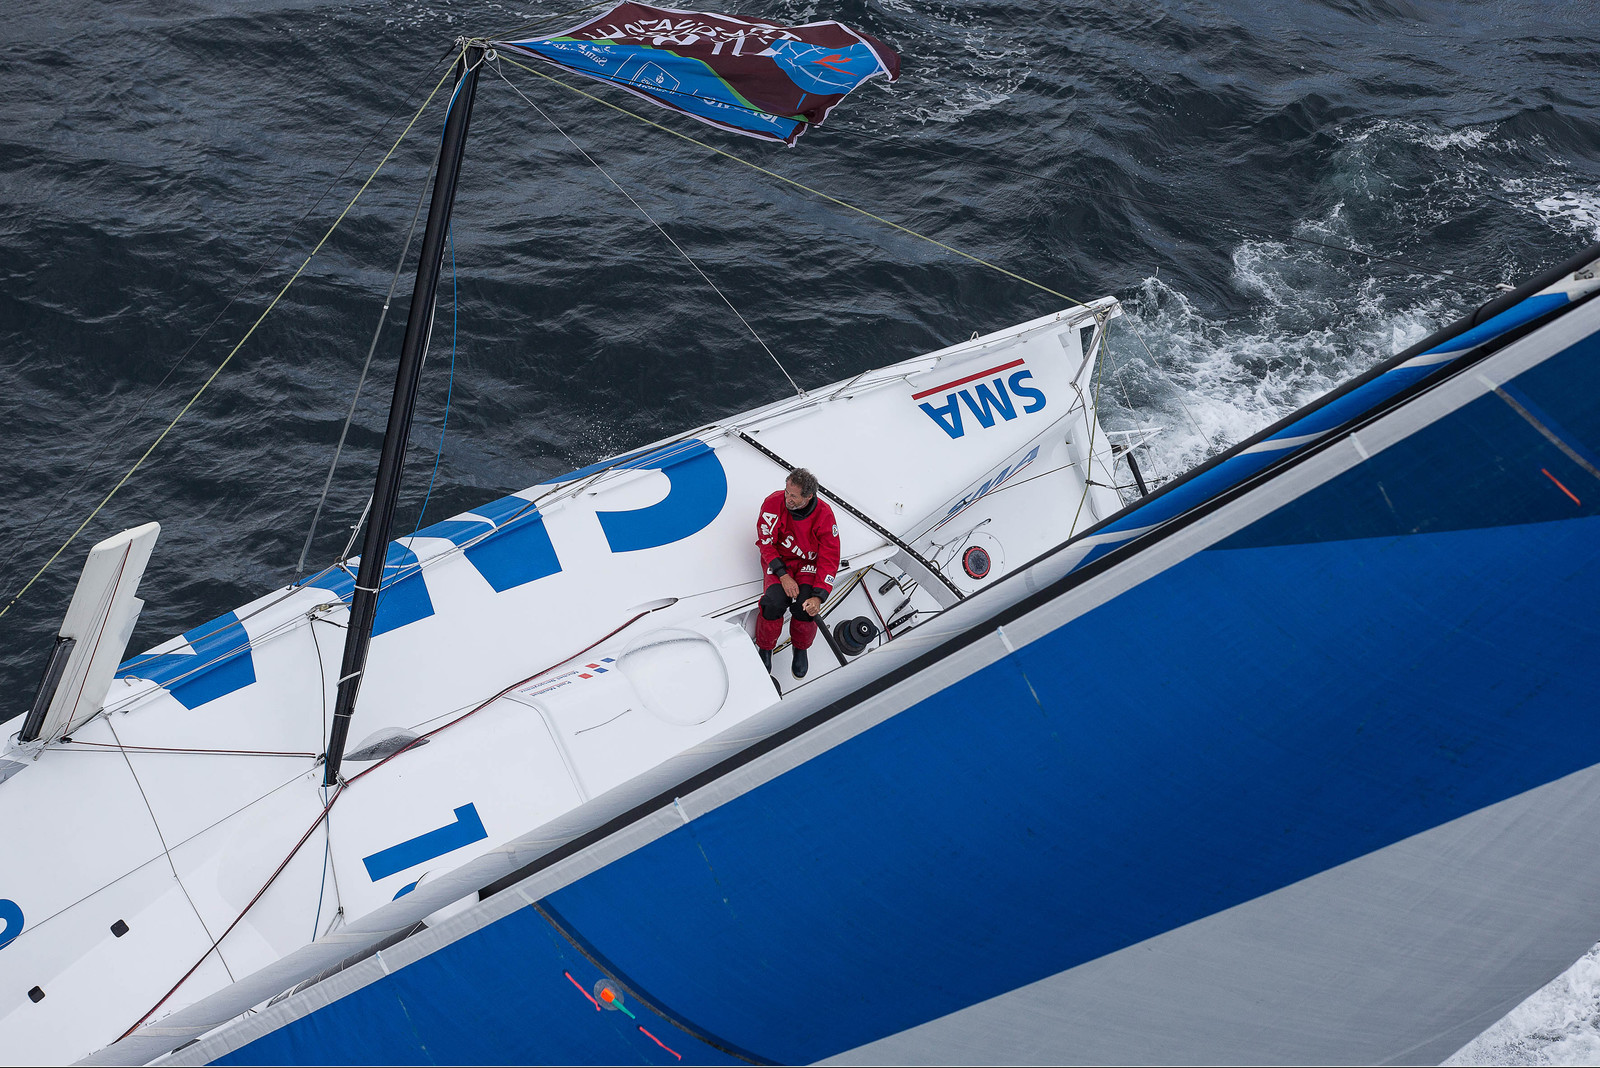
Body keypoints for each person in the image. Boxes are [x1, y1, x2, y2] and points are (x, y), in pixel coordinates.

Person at [754, 467, 840, 679]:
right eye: (786, 491)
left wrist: (819, 595)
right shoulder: (773, 503)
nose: (787, 498)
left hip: (806, 566)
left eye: (793, 495)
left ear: (809, 496)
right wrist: (783, 575)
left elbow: (830, 556)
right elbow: (765, 542)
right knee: (773, 602)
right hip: (779, 561)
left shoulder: (824, 514)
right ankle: (766, 647)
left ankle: (800, 647)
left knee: (805, 607)